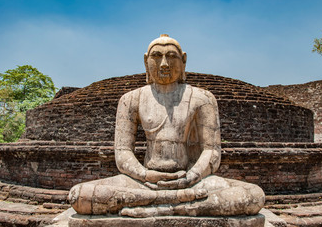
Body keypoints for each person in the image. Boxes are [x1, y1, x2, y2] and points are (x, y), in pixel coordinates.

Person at [69, 34, 265, 217]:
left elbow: (212, 152)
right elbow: (122, 154)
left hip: (191, 181)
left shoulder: (202, 98)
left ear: (184, 60)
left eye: (171, 56)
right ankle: (180, 205)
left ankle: (157, 206)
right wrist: (145, 175)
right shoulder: (131, 99)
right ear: (146, 61)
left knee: (253, 195)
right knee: (79, 195)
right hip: (144, 182)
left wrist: (190, 178)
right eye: (156, 56)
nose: (164, 64)